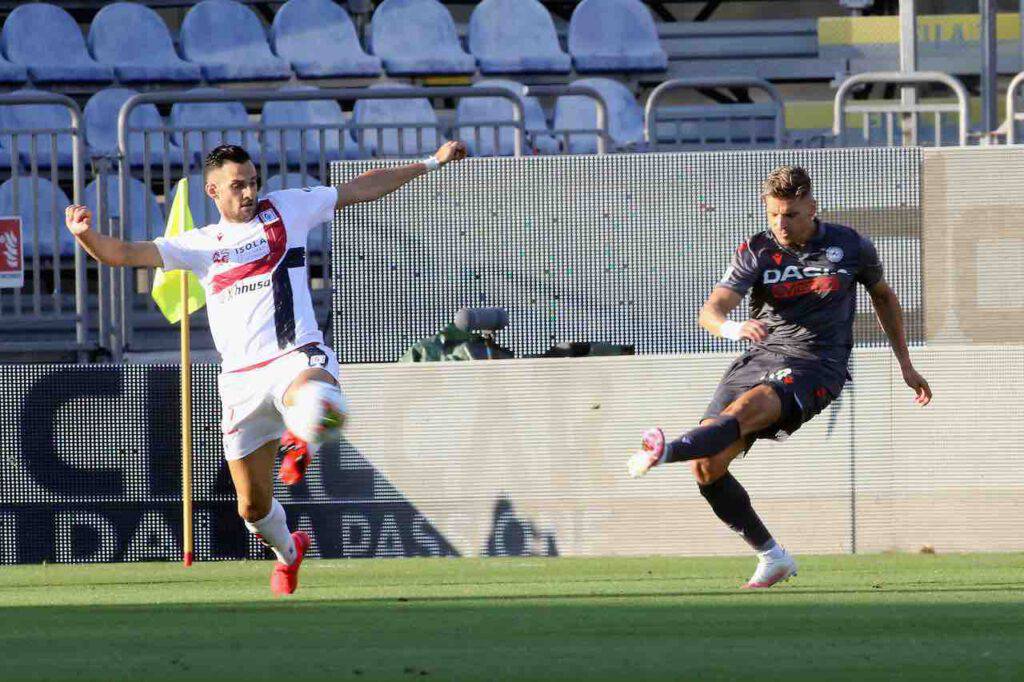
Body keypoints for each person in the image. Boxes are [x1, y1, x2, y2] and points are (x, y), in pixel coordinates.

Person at [65, 141, 467, 594]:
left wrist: (430, 163)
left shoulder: (288, 209)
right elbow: (122, 254)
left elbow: (360, 189)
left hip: (296, 355)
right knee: (252, 508)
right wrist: (84, 235)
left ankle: (301, 439)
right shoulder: (199, 246)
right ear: (213, 192)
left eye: (253, 182)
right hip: (241, 382)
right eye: (238, 185)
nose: (249, 192)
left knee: (320, 398)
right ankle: (290, 551)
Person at [627, 165, 932, 588]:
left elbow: (883, 297)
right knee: (707, 466)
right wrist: (734, 328)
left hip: (817, 364)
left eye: (790, 214)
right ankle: (772, 556)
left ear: (812, 207)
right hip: (759, 357)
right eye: (773, 215)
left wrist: (905, 364)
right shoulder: (757, 250)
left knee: (747, 409)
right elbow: (711, 310)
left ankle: (663, 452)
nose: (780, 224)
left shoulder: (850, 245)